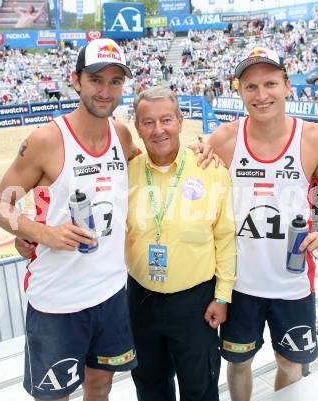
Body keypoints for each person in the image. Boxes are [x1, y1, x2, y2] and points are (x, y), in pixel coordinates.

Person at [0, 38, 139, 401]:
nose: (105, 90)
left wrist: (201, 149)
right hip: (58, 301)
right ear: (76, 80)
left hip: (111, 292)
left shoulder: (121, 133)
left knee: (100, 386)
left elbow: (146, 168)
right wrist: (44, 233)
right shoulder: (47, 140)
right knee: (54, 396)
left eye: (115, 81)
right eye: (96, 79)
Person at [207, 47, 318, 400]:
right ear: (239, 91)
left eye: (270, 83)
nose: (261, 95)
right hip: (239, 286)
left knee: (290, 365)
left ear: (287, 85)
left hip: (293, 283)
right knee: (238, 364)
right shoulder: (224, 139)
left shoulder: (313, 138)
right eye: (250, 87)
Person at [126, 86, 236, 401]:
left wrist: (223, 297)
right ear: (138, 128)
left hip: (196, 304)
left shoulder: (211, 170)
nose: (158, 130)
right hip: (141, 300)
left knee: (200, 390)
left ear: (180, 120)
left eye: (166, 120)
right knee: (149, 387)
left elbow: (226, 237)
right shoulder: (129, 172)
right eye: (148, 122)